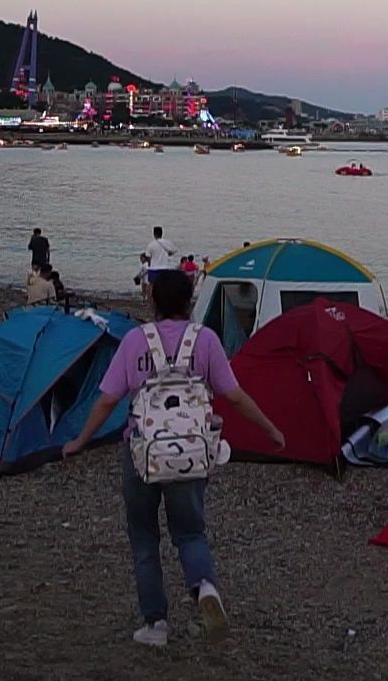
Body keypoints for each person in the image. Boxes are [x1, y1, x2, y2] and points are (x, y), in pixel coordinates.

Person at [63, 269, 286, 647]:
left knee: (145, 537)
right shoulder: (207, 341)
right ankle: (205, 588)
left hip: (142, 453)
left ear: (152, 301)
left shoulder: (135, 341)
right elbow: (234, 396)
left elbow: (107, 399)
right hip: (191, 452)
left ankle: (155, 624)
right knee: (190, 532)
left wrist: (81, 440)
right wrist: (270, 429)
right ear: (189, 301)